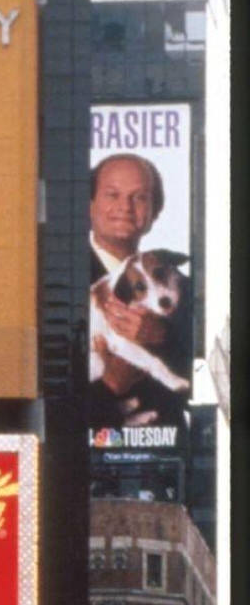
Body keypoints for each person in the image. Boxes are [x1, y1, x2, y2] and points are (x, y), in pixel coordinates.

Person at [87, 152, 191, 427]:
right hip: (89, 446)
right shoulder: (63, 276)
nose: (126, 207)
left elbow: (209, 369)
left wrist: (163, 337)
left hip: (166, 444)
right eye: (112, 195)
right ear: (90, 205)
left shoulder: (181, 286)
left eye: (140, 197)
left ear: (155, 211)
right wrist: (110, 384)